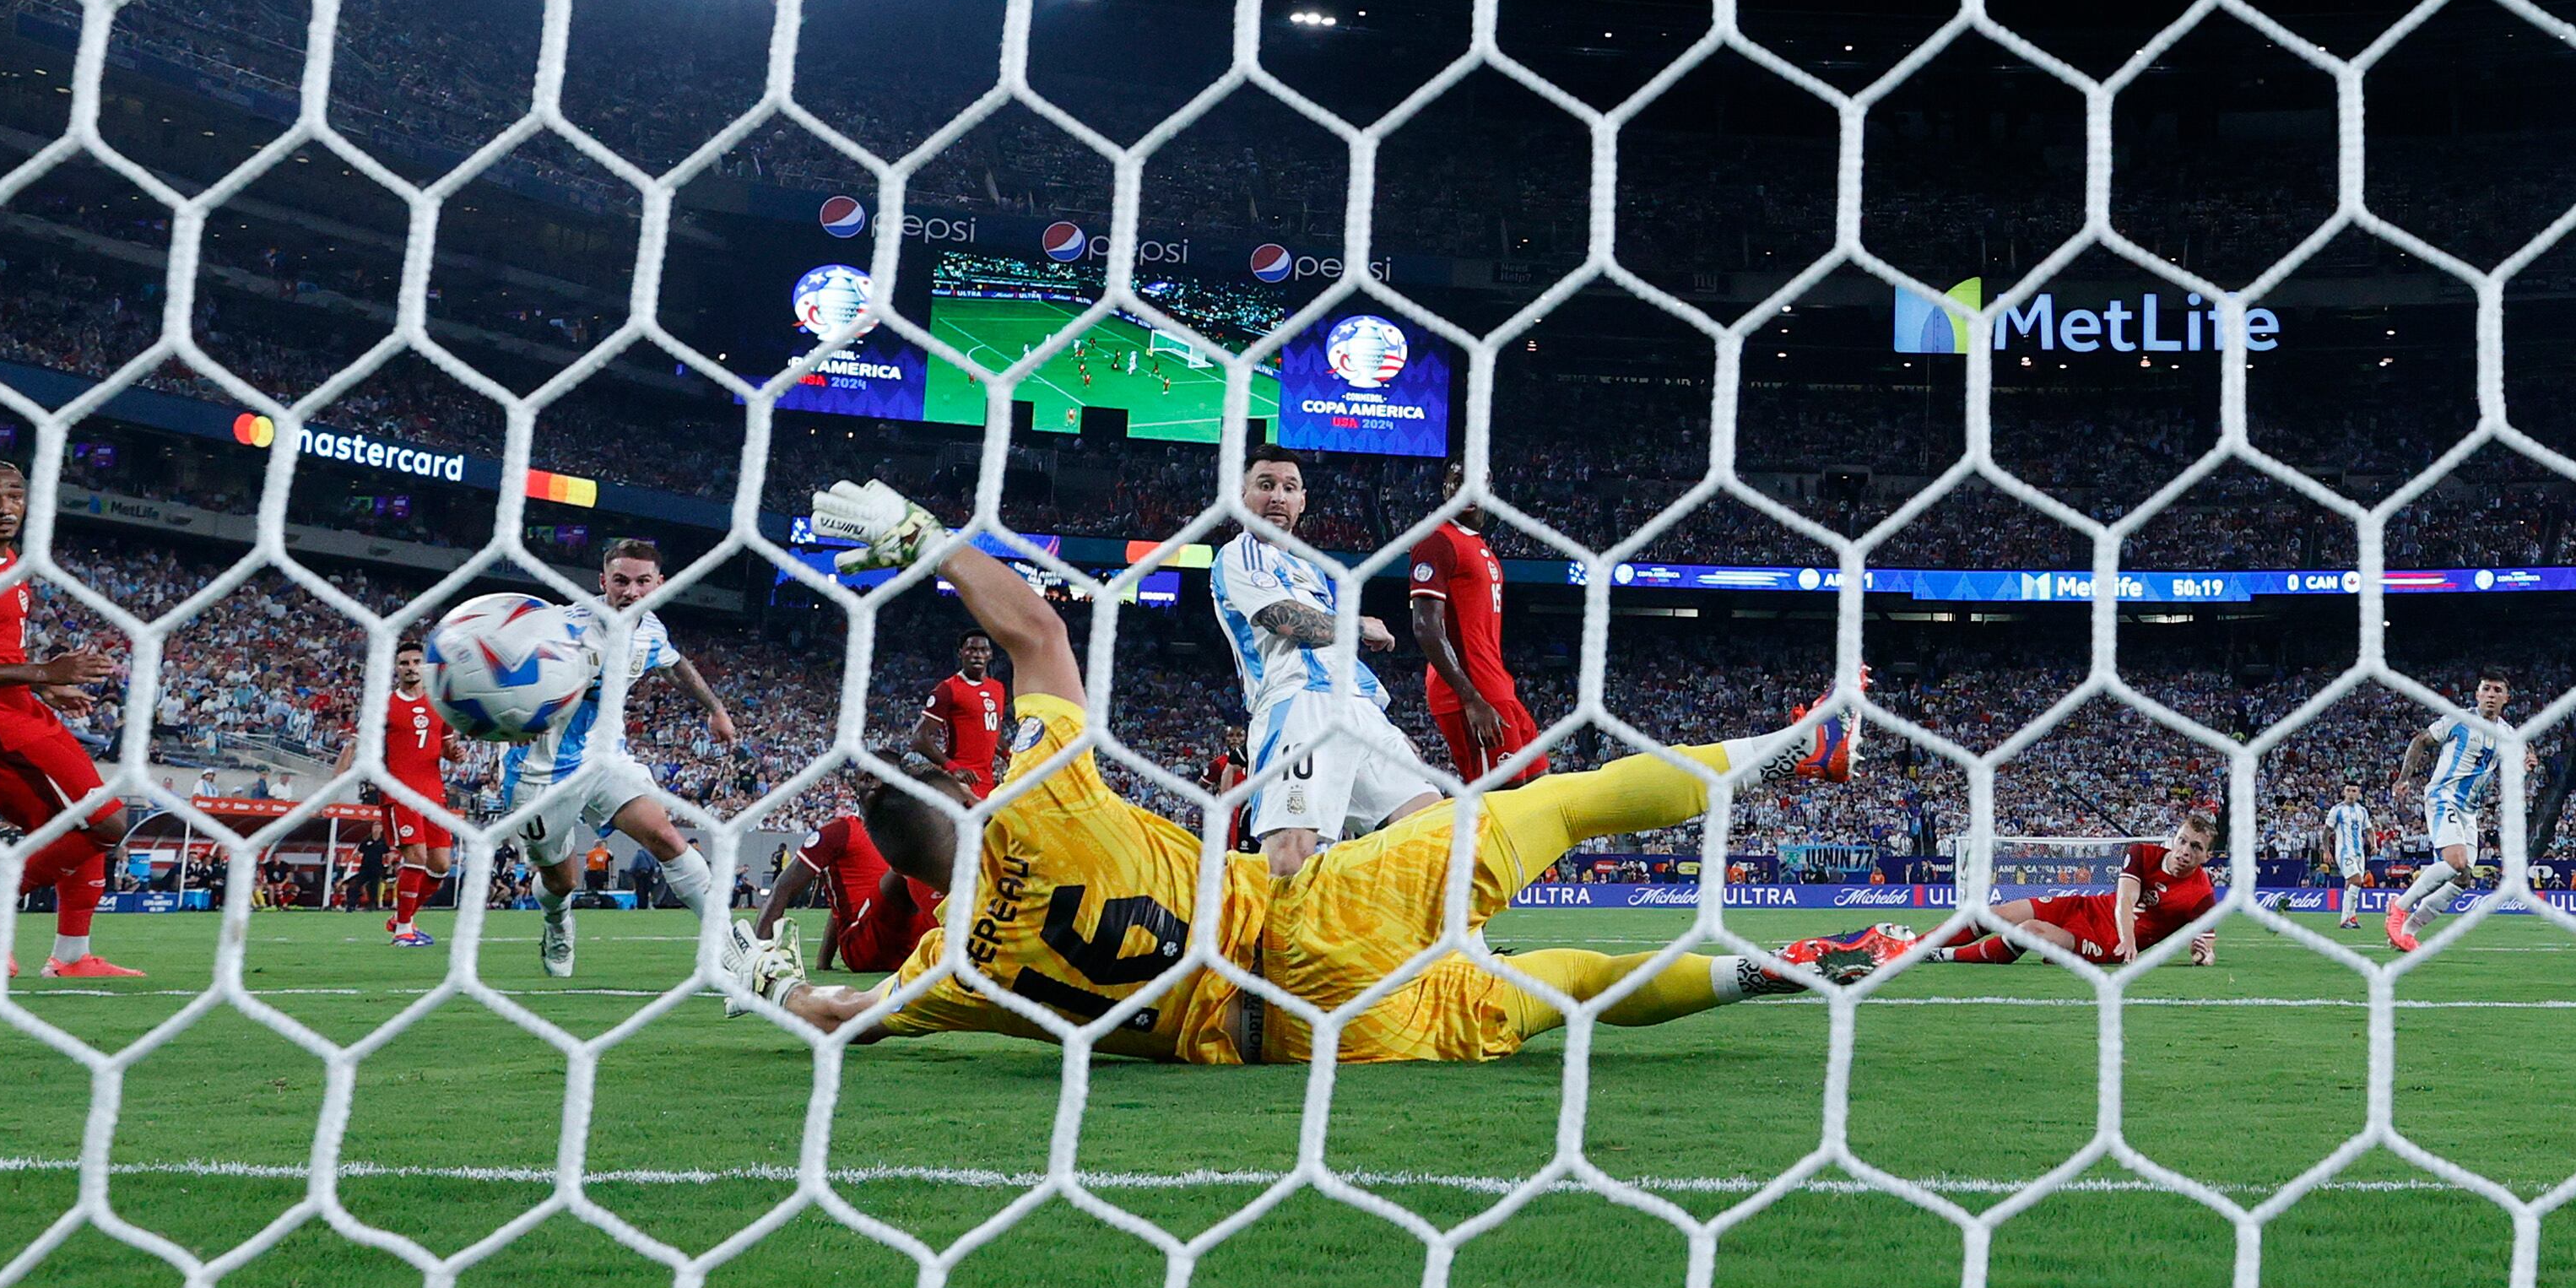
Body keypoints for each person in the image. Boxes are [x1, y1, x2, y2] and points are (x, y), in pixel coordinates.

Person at [728, 478, 1870, 1063]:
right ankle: (1792, 748)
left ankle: (1764, 972)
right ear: (973, 793)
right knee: (1557, 808)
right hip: (1318, 912)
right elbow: (1038, 632)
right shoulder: (1046, 804)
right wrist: (927, 536)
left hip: (1303, 1037)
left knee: (1555, 988)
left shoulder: (954, 973)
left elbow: (838, 1013)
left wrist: (772, 982)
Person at [0, 460, 138, 980]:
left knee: (77, 826)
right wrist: (41, 670)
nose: (4, 507)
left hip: (21, 709)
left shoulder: (10, 561)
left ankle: (71, 956)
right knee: (106, 823)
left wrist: (44, 685)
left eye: (14, 496)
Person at [508, 538, 746, 979]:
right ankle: (558, 922)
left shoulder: (651, 629)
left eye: (642, 582)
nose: (631, 591)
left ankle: (727, 944)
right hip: (543, 773)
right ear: (603, 582)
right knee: (562, 882)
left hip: (607, 761)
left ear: (659, 584)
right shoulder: (566, 629)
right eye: (621, 581)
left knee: (667, 838)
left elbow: (674, 665)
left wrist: (715, 709)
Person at [1211, 446, 1441, 877]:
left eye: (1289, 487)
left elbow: (1332, 651)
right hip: (1297, 706)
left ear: (1303, 501)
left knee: (1430, 825)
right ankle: (1275, 943)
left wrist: (1380, 718)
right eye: (1266, 486)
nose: (1278, 496)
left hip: (1354, 708)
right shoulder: (1238, 555)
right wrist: (1358, 626)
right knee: (1291, 852)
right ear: (1241, 496)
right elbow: (1282, 620)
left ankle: (1418, 940)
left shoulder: (1310, 570)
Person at [1924, 812, 2221, 967]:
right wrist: (2131, 937)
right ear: (2174, 838)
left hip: (2108, 942)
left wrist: (2201, 956)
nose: (2185, 850)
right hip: (2089, 908)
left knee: (2029, 930)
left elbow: (2208, 949)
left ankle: (1945, 956)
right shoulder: (2143, 853)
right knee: (1995, 914)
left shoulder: (2201, 895)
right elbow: (2124, 900)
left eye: (2196, 847)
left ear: (2207, 856)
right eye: (2182, 840)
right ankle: (1917, 947)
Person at [1408, 463, 1547, 787]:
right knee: (1500, 806)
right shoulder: (1436, 541)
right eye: (1457, 481)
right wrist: (1471, 698)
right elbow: (1426, 627)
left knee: (1539, 786)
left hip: (1497, 685)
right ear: (1445, 489)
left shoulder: (1477, 544)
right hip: (1470, 693)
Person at [336, 641, 455, 948]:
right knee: (416, 856)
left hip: (434, 795)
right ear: (397, 668)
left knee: (441, 864)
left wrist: (457, 753)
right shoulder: (383, 706)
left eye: (417, 662)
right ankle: (404, 931)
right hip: (399, 792)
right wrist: (338, 778)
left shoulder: (440, 703)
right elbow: (357, 745)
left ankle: (402, 918)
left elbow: (448, 749)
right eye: (405, 663)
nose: (411, 667)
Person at [2389, 671, 2511, 951]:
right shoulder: (2459, 719)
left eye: (2497, 690)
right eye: (2486, 689)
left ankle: (2408, 931)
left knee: (2463, 876)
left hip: (2470, 810)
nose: (2491, 695)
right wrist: (2404, 778)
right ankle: (2399, 907)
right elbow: (2421, 740)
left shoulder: (2506, 734)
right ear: (2477, 694)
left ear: (2506, 697)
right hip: (2444, 796)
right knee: (2456, 861)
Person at [753, 812, 939, 975]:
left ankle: (954, 946)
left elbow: (841, 904)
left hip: (917, 942)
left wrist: (823, 961)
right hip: (867, 946)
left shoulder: (905, 831)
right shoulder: (841, 831)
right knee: (906, 864)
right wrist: (757, 954)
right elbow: (783, 887)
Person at [912, 630, 1007, 796]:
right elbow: (919, 738)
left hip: (988, 782)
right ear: (961, 653)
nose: (978, 655)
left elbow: (992, 730)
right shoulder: (947, 689)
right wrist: (954, 768)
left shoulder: (997, 688)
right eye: (972, 650)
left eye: (983, 650)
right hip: (962, 782)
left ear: (990, 655)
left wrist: (1009, 756)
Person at [2322, 782, 2373, 931]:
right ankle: (2346, 918)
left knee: (2351, 883)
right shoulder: (2337, 810)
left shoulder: (2362, 811)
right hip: (2344, 851)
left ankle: (2350, 917)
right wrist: (2326, 851)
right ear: (2344, 792)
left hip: (2359, 853)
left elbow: (2369, 830)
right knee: (2356, 880)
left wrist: (2374, 845)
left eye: (2354, 791)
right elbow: (2326, 832)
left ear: (2359, 794)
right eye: (2348, 790)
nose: (2351, 793)